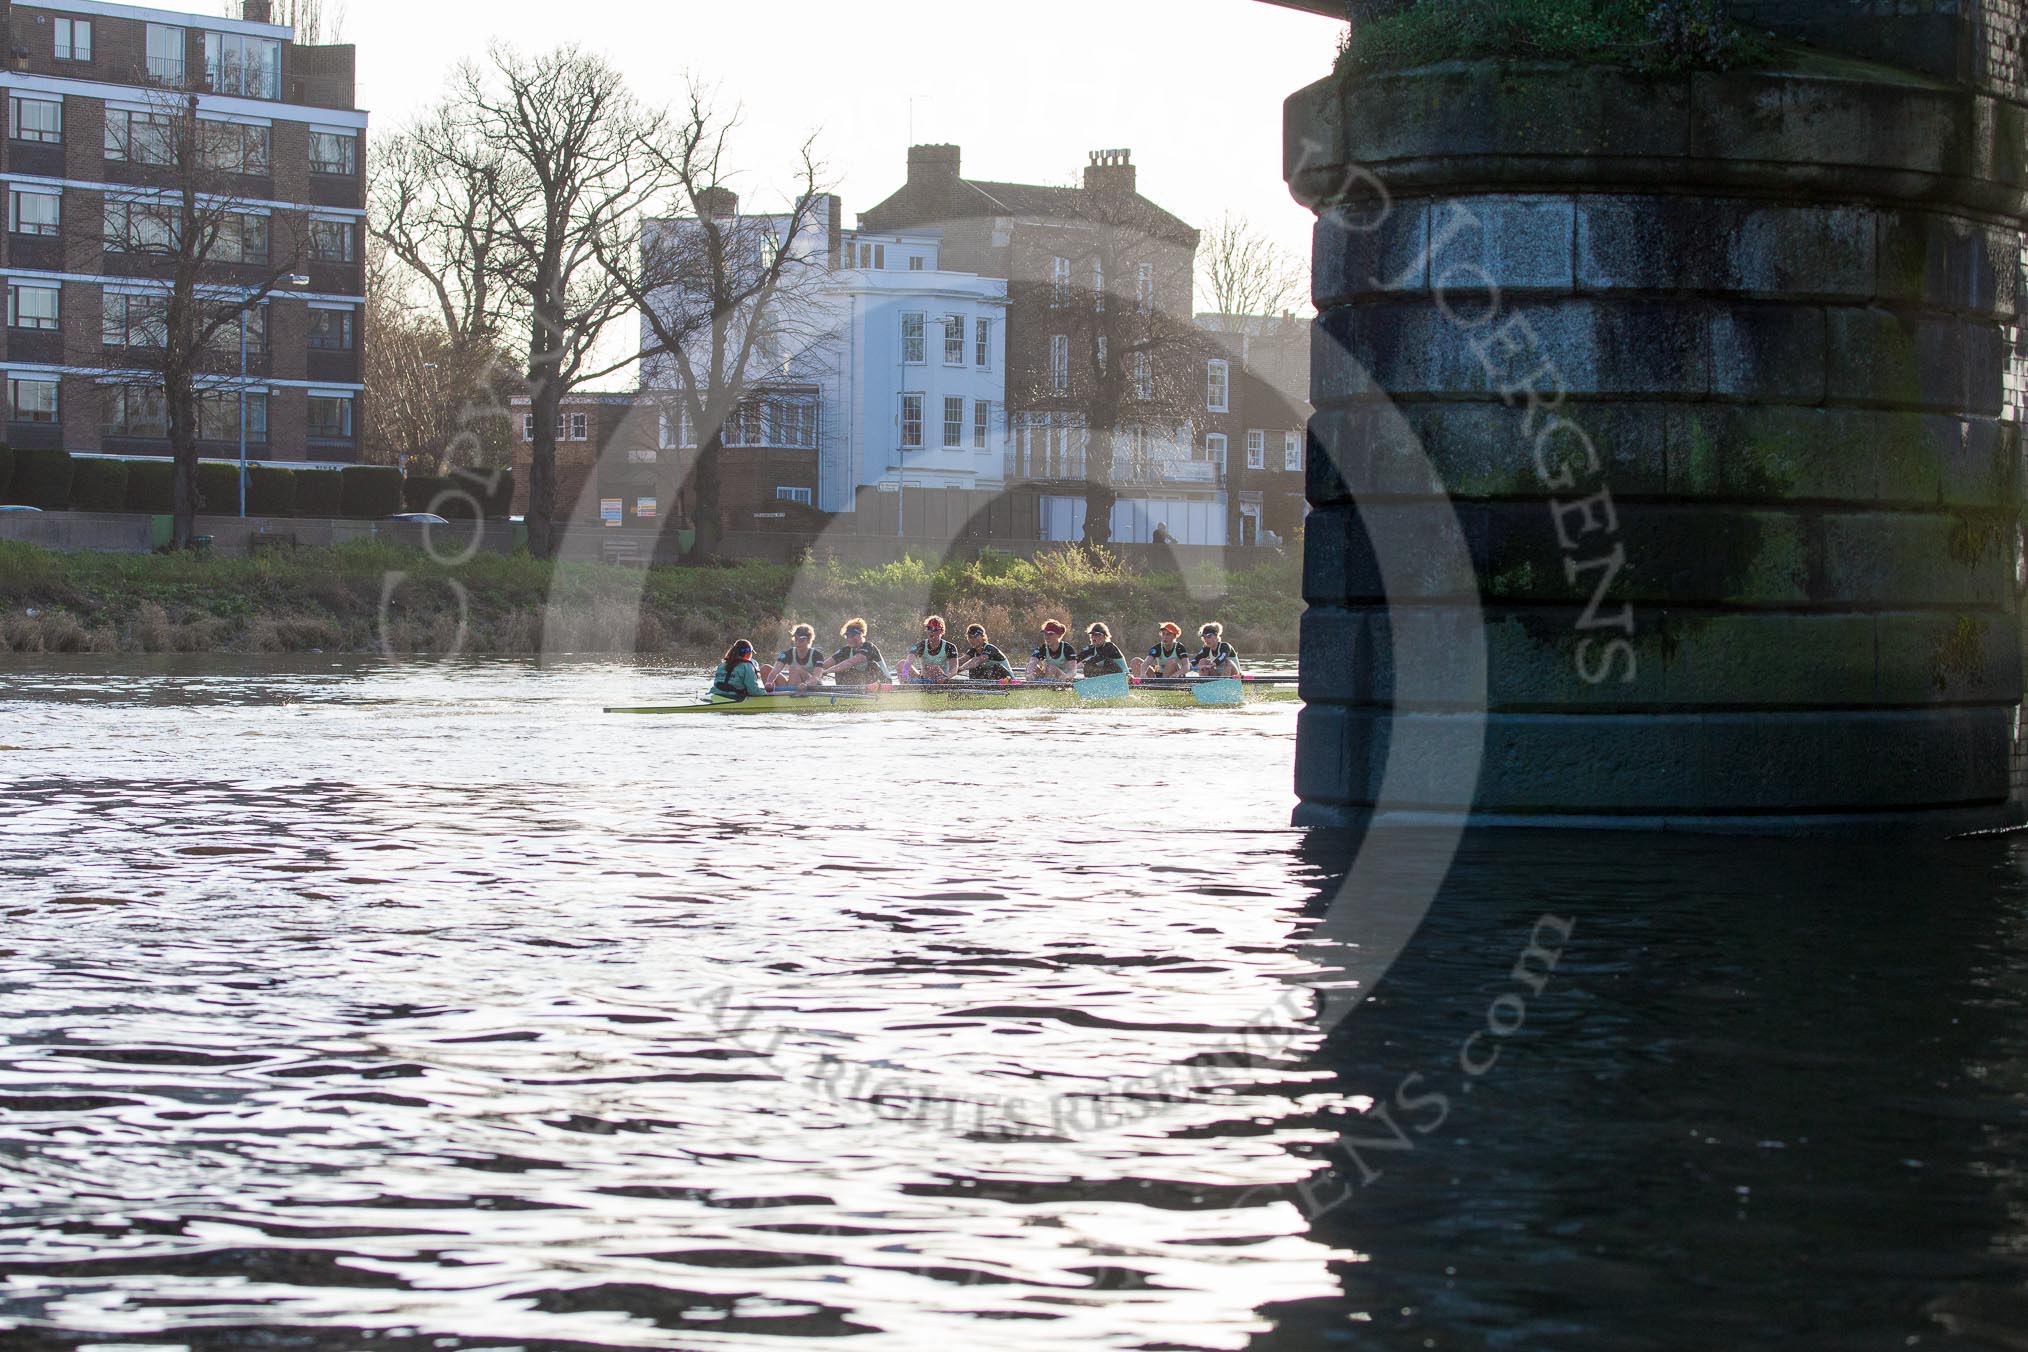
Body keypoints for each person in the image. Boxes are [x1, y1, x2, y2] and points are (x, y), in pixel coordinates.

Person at [763, 623, 828, 690]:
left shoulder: (817, 655)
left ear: (809, 640)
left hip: (812, 686)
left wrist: (806, 684)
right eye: (796, 639)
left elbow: (816, 677)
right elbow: (775, 671)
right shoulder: (788, 654)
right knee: (765, 668)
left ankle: (792, 696)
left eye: (801, 640)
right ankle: (771, 694)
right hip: (795, 684)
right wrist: (769, 682)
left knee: (794, 669)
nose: (797, 642)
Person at [828, 617, 890, 686]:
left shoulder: (869, 646)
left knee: (870, 664)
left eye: (853, 635)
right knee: (839, 663)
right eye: (847, 635)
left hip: (884, 684)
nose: (850, 639)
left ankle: (853, 690)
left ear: (862, 634)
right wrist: (818, 671)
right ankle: (843, 691)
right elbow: (823, 665)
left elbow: (850, 662)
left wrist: (827, 671)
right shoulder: (845, 650)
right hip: (863, 684)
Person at [903, 615, 962, 683]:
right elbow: (909, 660)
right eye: (928, 628)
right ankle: (904, 687)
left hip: (942, 678)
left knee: (933, 667)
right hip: (923, 677)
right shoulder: (920, 645)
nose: (931, 631)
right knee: (901, 664)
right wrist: (904, 673)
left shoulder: (950, 647)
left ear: (941, 631)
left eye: (934, 629)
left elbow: (954, 667)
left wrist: (946, 676)